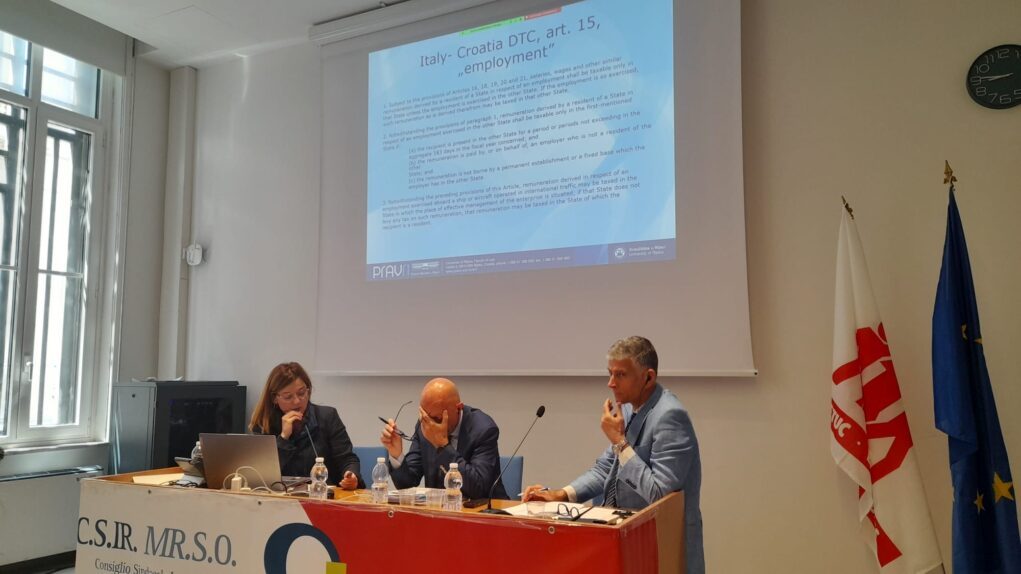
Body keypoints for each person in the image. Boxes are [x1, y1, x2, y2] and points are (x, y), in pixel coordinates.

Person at [523, 336, 704, 574]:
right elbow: (607, 468)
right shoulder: (629, 408)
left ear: (648, 377)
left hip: (663, 548)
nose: (611, 383)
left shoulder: (670, 417)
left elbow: (659, 496)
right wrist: (563, 494)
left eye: (620, 375)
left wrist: (619, 442)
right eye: (610, 373)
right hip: (627, 540)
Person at [380, 377, 507, 500]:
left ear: (459, 408)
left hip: (485, 510)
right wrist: (396, 454)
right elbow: (407, 484)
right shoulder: (425, 425)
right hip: (440, 510)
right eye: (426, 417)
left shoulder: (483, 429)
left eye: (438, 419)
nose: (431, 425)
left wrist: (443, 446)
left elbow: (478, 488)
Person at [250, 362, 363, 490]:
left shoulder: (327, 416)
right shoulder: (263, 424)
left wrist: (351, 476)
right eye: (288, 397)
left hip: (323, 494)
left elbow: (347, 459)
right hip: (281, 496)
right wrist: (283, 438)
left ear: (308, 390)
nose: (297, 401)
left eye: (301, 393)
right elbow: (261, 475)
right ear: (274, 398)